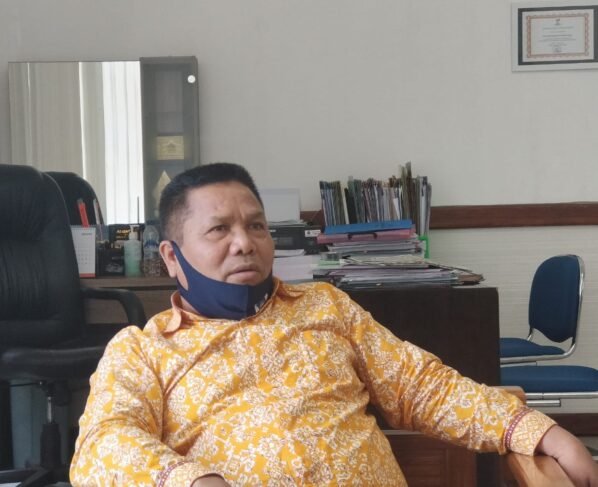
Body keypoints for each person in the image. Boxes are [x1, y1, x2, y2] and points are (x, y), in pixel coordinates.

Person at [70, 162, 598, 487]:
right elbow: (102, 445)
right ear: (171, 255)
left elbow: (421, 386)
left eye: (256, 225)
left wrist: (539, 431)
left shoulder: (325, 308)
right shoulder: (143, 351)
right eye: (219, 230)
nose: (244, 242)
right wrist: (190, 480)